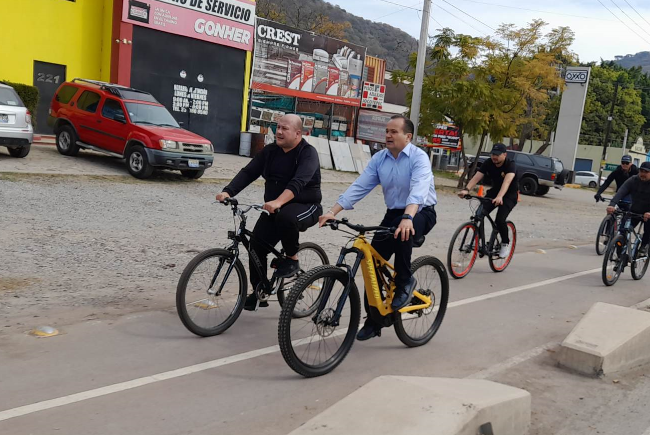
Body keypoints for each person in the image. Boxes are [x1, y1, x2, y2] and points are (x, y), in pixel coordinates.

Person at [319, 115, 438, 341]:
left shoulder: (419, 158)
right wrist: (332, 212)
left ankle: (404, 281)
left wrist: (408, 218)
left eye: (394, 131)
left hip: (421, 211)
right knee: (371, 263)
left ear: (408, 136)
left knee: (402, 231)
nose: (388, 135)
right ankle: (374, 321)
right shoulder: (380, 159)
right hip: (394, 213)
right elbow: (360, 186)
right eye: (387, 131)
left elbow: (419, 190)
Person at [216, 114, 322, 311]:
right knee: (256, 246)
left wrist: (279, 201)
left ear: (298, 133)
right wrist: (228, 191)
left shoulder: (308, 153)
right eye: (278, 127)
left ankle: (292, 258)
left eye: (285, 129)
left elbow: (298, 182)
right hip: (276, 207)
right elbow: (249, 172)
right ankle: (259, 291)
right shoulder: (270, 151)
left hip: (307, 206)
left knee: (286, 217)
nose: (279, 132)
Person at [458, 143, 519, 258]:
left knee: (500, 220)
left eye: (497, 155)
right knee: (478, 214)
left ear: (504, 154)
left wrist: (500, 197)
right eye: (492, 154)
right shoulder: (488, 163)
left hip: (509, 195)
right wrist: (466, 190)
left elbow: (507, 182)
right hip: (494, 192)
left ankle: (505, 243)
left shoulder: (510, 165)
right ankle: (479, 243)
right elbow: (477, 176)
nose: (494, 157)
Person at [606, 161, 650, 257]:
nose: (643, 174)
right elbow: (621, 191)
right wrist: (612, 204)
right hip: (636, 209)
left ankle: (644, 246)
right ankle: (620, 256)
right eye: (641, 171)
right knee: (623, 229)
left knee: (649, 223)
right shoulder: (633, 179)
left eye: (646, 172)